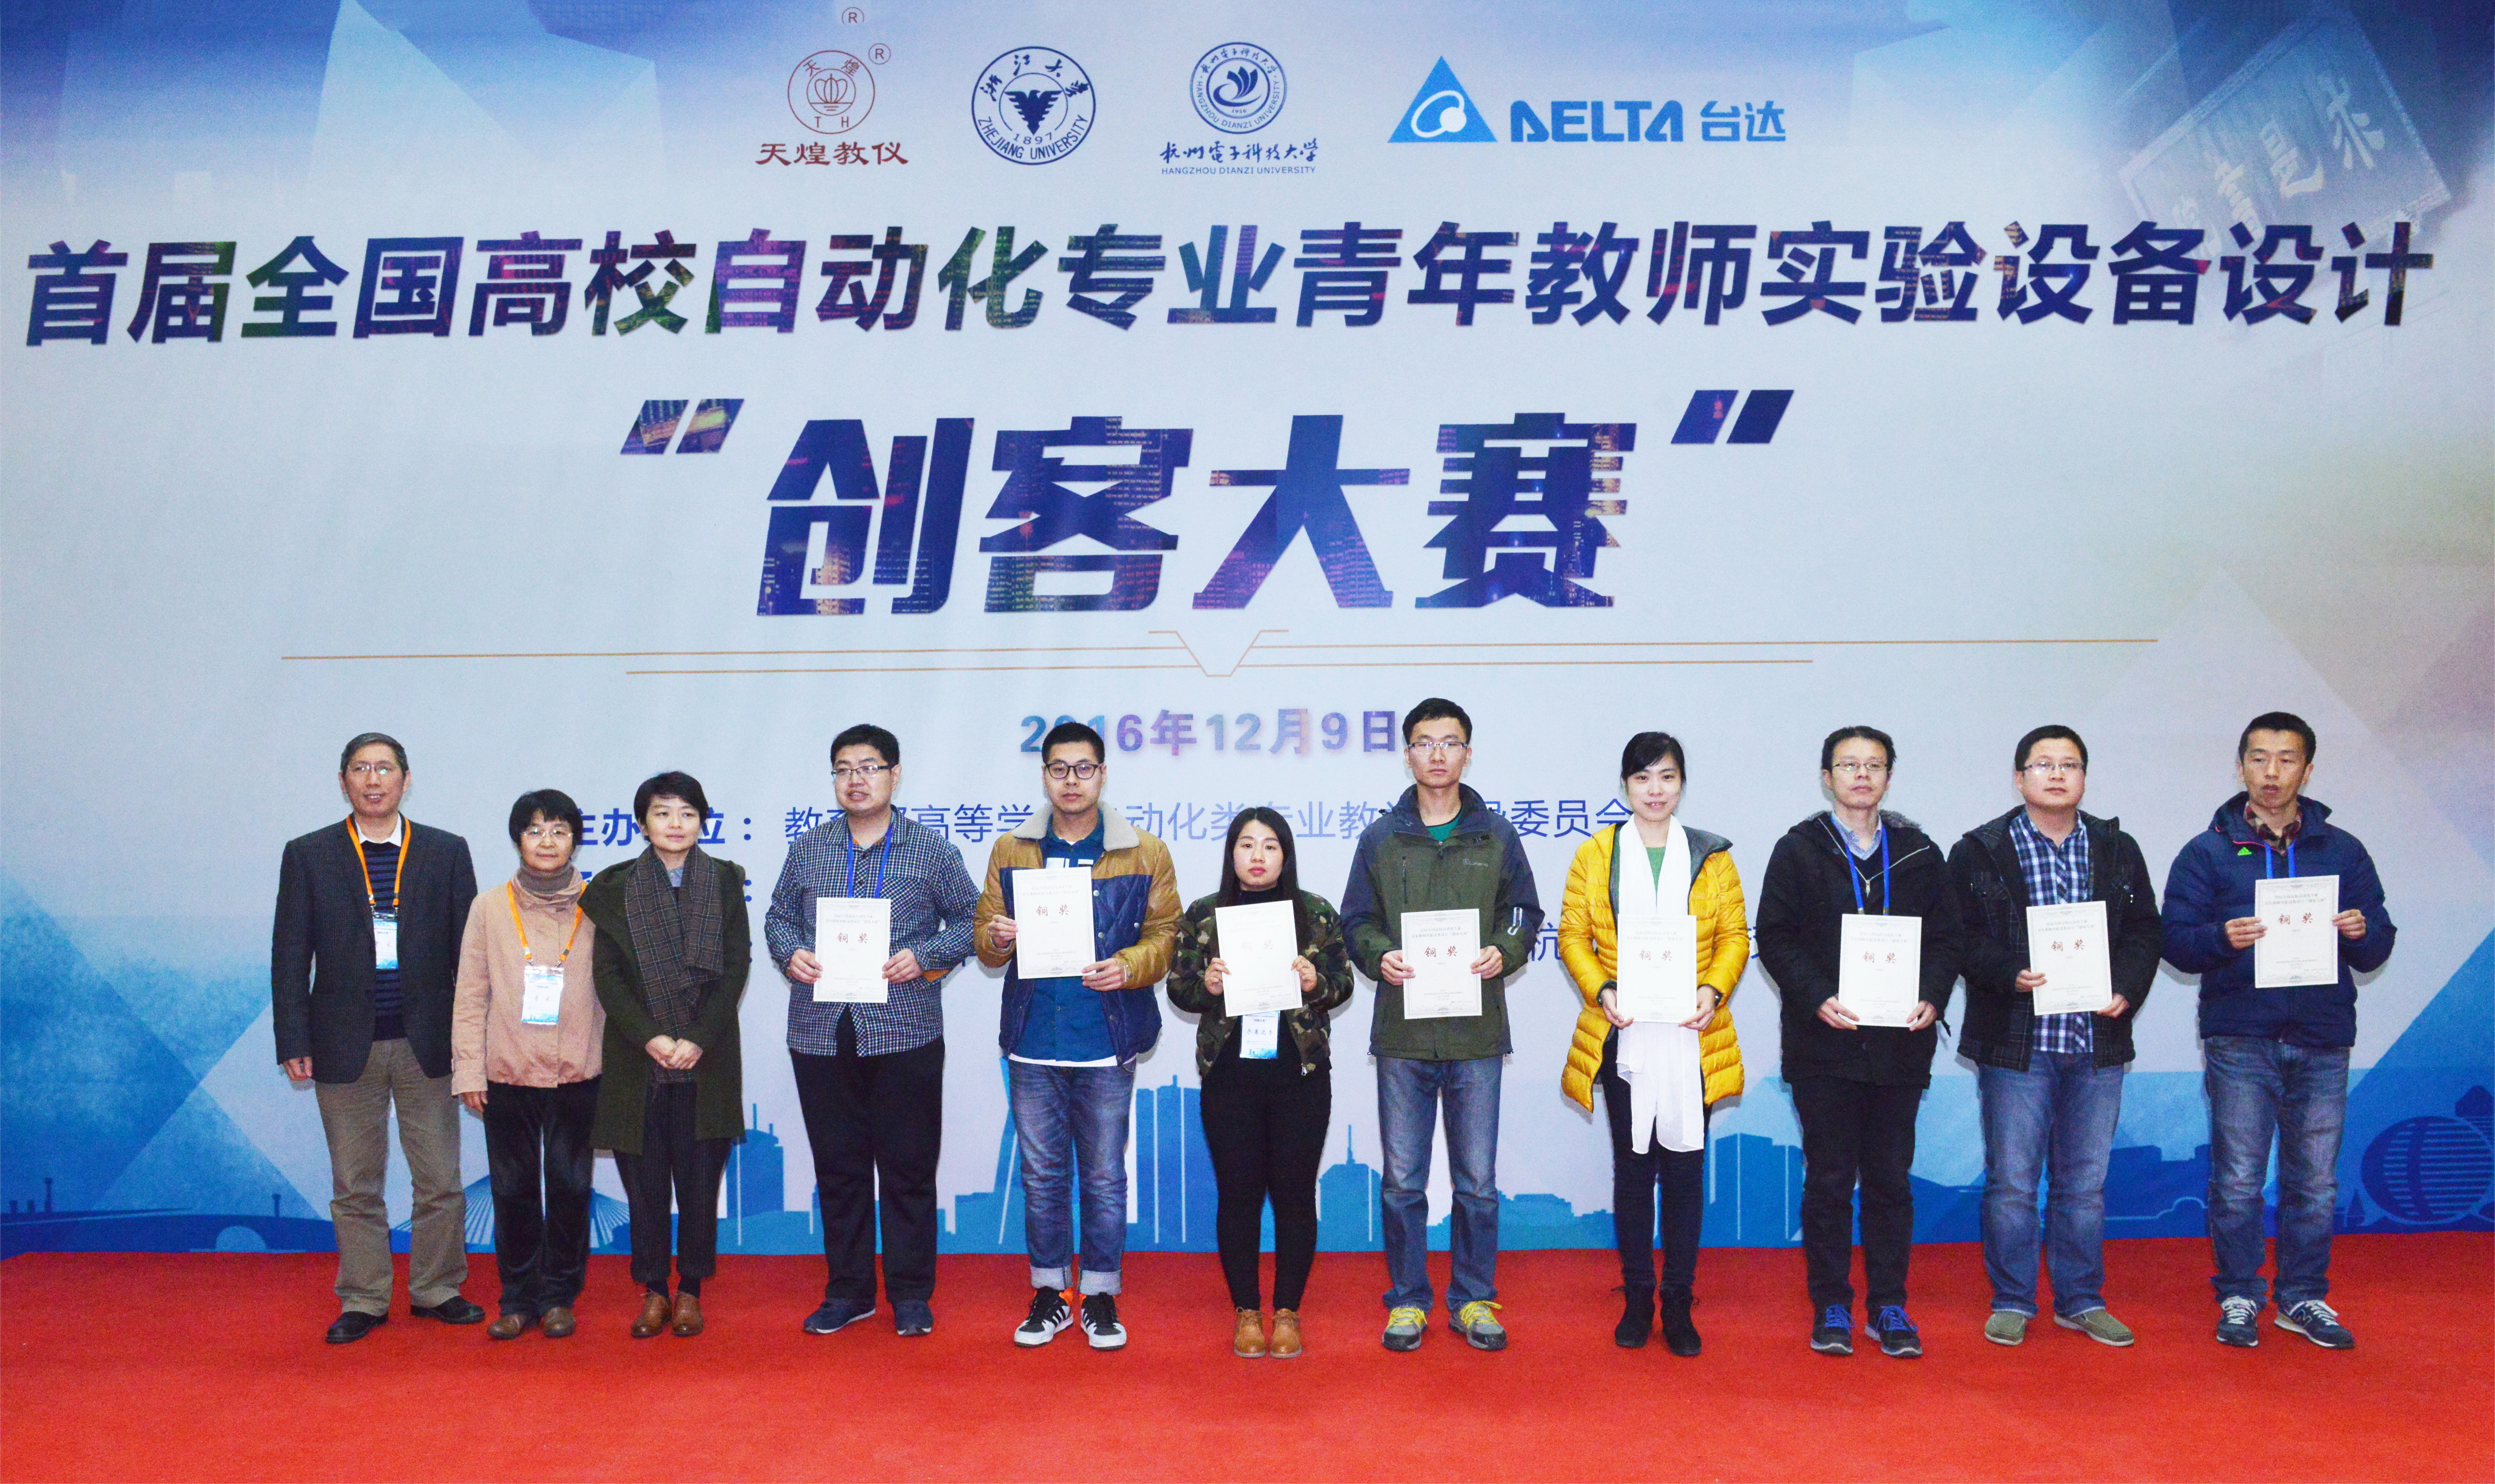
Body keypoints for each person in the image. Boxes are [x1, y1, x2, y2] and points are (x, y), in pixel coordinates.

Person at [2161, 711, 2393, 1351]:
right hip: (2241, 1036)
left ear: (2307, 770)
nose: (2272, 771)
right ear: (2240, 766)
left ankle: (2302, 1294)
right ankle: (2239, 1292)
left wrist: (2360, 932)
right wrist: (2221, 937)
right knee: (2239, 1177)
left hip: (2322, 1034)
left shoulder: (2342, 850)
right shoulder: (2207, 851)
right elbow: (2175, 942)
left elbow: (2379, 944)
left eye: (2287, 759)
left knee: (2314, 1182)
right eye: (2259, 758)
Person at [1341, 698, 1544, 1353]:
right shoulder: (1380, 839)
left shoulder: (1497, 835)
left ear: (1467, 753)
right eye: (1424, 742)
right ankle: (1407, 1300)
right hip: (1403, 1034)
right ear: (1407, 754)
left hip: (1475, 1032)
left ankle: (1474, 1298)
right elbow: (1355, 921)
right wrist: (1379, 955)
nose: (1437, 754)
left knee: (1477, 1182)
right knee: (1403, 1180)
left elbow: (1525, 912)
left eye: (1449, 742)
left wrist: (1504, 950)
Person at [766, 723, 979, 1339]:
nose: (855, 780)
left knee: (909, 1169)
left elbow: (972, 919)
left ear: (895, 774)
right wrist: (791, 952)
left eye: (868, 767)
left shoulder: (931, 850)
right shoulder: (809, 848)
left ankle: (910, 1293)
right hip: (821, 1030)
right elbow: (778, 916)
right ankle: (849, 1291)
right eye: (843, 769)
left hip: (904, 1030)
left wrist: (926, 955)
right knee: (839, 1169)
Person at [1949, 726, 2159, 1350]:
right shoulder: (1980, 850)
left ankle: (2081, 1299)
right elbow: (1958, 937)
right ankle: (2013, 1299)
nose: (2057, 774)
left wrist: (2127, 988)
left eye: (2070, 764)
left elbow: (2145, 931)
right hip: (2018, 1041)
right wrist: (2008, 972)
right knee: (2013, 1182)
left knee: (2084, 1184)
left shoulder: (2117, 847)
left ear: (2085, 777)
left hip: (2096, 1038)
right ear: (2020, 778)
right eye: (2043, 764)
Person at [1755, 726, 1962, 1359]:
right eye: (1849, 765)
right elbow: (1775, 935)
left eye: (1874, 765)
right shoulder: (1799, 850)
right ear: (1828, 777)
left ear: (1889, 778)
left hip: (1901, 1045)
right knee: (1829, 1179)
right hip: (1825, 1044)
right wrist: (1817, 995)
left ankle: (1889, 1304)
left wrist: (1932, 995)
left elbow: (1948, 938)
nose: (1862, 775)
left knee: (1890, 1180)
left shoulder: (1919, 852)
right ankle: (1832, 1304)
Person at [974, 721, 1180, 1351]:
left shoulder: (1144, 851)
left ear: (1103, 774)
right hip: (1034, 1036)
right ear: (1044, 776)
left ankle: (1099, 1294)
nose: (1072, 780)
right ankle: (1049, 1291)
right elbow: (984, 938)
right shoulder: (1012, 849)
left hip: (1106, 1037)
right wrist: (997, 938)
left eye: (1084, 768)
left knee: (1104, 1176)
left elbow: (1166, 936)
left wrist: (1130, 966)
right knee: (1041, 1175)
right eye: (1060, 769)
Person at [273, 733, 483, 1343]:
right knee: (355, 1184)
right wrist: (293, 1037)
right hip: (342, 1043)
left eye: (385, 768)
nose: (373, 780)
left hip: (429, 1042)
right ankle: (364, 1296)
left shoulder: (445, 851)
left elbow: (470, 959)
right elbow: (290, 954)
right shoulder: (309, 854)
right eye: (361, 769)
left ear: (405, 780)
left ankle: (436, 1287)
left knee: (439, 1179)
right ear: (343, 781)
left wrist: (472, 1042)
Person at [1557, 732, 1747, 1357]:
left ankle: (1680, 1301)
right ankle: (1639, 1296)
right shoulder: (1596, 853)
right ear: (1625, 786)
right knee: (1635, 1170)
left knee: (1686, 1172)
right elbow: (1573, 935)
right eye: (1642, 778)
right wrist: (1602, 988)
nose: (1655, 790)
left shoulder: (1712, 856)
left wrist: (1713, 990)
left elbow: (1736, 937)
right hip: (1625, 1030)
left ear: (1682, 784)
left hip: (1694, 1033)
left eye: (1667, 777)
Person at [1165, 808, 1356, 1359]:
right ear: (1232, 854)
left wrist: (1317, 982)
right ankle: (1247, 1311)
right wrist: (1206, 984)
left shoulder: (1315, 912)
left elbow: (1343, 982)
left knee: (1295, 1193)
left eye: (1270, 846)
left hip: (1300, 1075)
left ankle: (1287, 1311)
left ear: (1285, 855)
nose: (1257, 856)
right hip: (1230, 1077)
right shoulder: (1206, 913)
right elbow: (1179, 988)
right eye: (1246, 844)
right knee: (1239, 1193)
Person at [580, 771, 749, 1340]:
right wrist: (651, 1036)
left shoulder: (725, 881)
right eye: (662, 812)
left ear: (703, 821)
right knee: (645, 1187)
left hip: (708, 1057)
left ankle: (691, 1290)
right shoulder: (613, 887)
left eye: (687, 813)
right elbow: (607, 976)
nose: (676, 824)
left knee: (700, 1188)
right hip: (638, 1060)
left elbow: (737, 966)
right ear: (642, 822)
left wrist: (697, 1038)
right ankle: (653, 1289)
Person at [452, 789, 604, 1340]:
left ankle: (559, 1296)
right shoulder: (489, 907)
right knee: (513, 1190)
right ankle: (517, 1298)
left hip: (580, 1070)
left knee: (571, 1188)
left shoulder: (600, 903)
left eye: (559, 830)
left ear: (575, 840)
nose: (547, 840)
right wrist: (469, 1070)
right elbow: (470, 994)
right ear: (518, 839)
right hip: (507, 1072)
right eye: (535, 829)